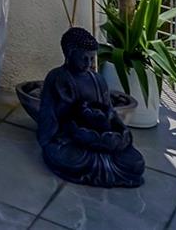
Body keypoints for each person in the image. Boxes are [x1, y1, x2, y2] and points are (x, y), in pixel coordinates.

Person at [36, 27, 145, 188]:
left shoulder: (97, 80)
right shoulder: (58, 78)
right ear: (70, 53)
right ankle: (102, 166)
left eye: (91, 59)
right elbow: (48, 114)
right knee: (66, 157)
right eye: (84, 58)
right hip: (71, 138)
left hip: (101, 136)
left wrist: (120, 129)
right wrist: (68, 111)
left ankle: (105, 161)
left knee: (136, 163)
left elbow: (109, 110)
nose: (89, 64)